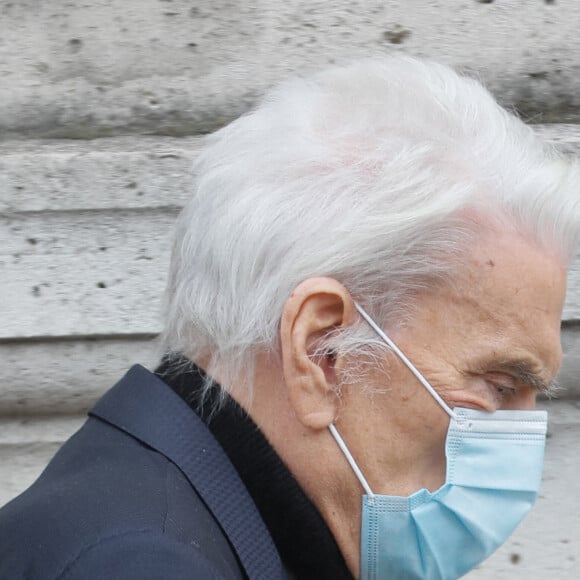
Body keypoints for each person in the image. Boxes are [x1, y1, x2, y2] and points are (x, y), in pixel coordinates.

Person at [0, 56, 579, 580]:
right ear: (322, 350)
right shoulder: (145, 564)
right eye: (500, 387)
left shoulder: (184, 524)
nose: (520, 445)